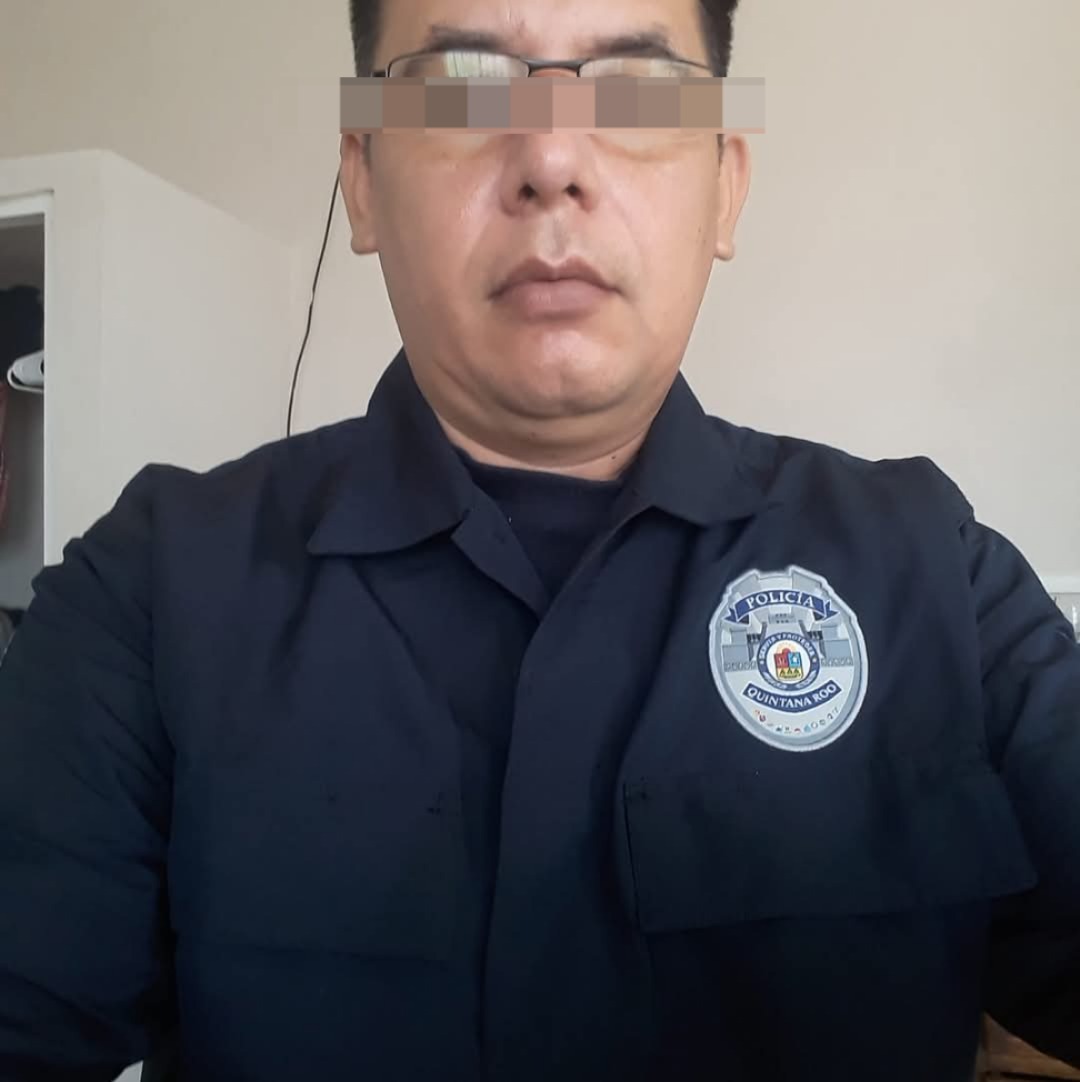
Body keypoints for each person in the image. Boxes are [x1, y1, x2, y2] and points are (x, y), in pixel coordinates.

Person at [1, 0, 1078, 1078]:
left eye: (639, 94)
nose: (552, 159)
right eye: (462, 88)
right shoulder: (154, 589)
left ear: (726, 184)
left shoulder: (932, 569)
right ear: (364, 178)